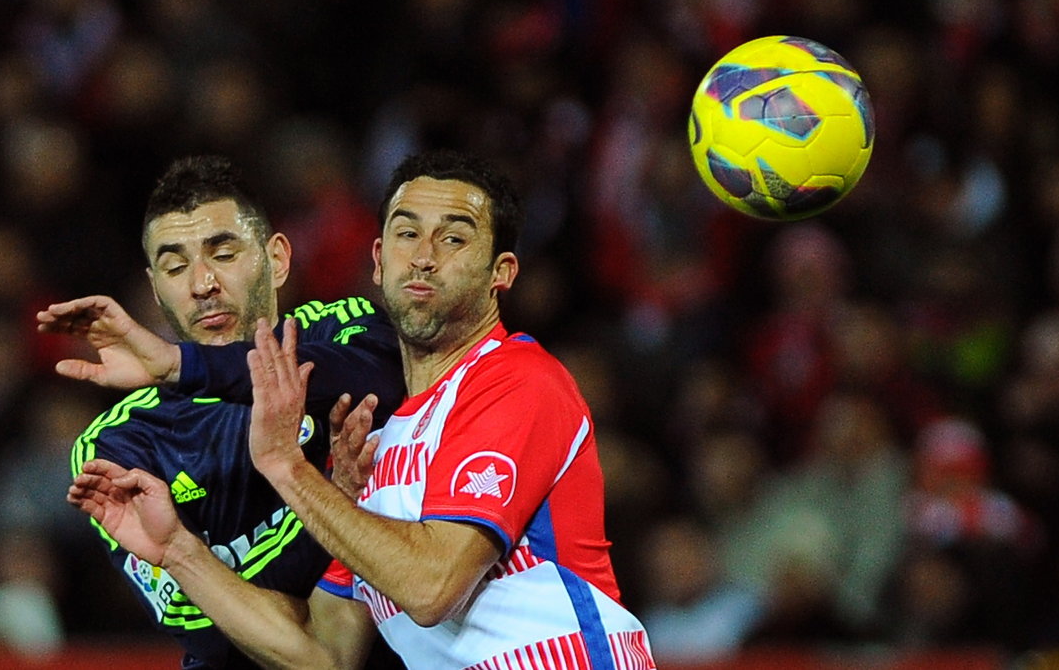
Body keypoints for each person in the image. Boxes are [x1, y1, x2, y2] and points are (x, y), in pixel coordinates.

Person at [66, 150, 657, 669]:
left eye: (453, 238)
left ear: (501, 271)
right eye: (406, 234)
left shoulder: (516, 378)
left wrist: (284, 465)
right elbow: (326, 658)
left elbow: (430, 588)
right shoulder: (377, 445)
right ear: (377, 260)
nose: (423, 257)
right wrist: (179, 550)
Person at [37, 155, 405, 669]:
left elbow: (386, 380)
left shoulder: (343, 330)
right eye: (174, 265)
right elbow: (218, 640)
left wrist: (177, 364)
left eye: (223, 252)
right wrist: (338, 502)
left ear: (277, 259)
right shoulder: (119, 445)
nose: (202, 283)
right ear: (154, 287)